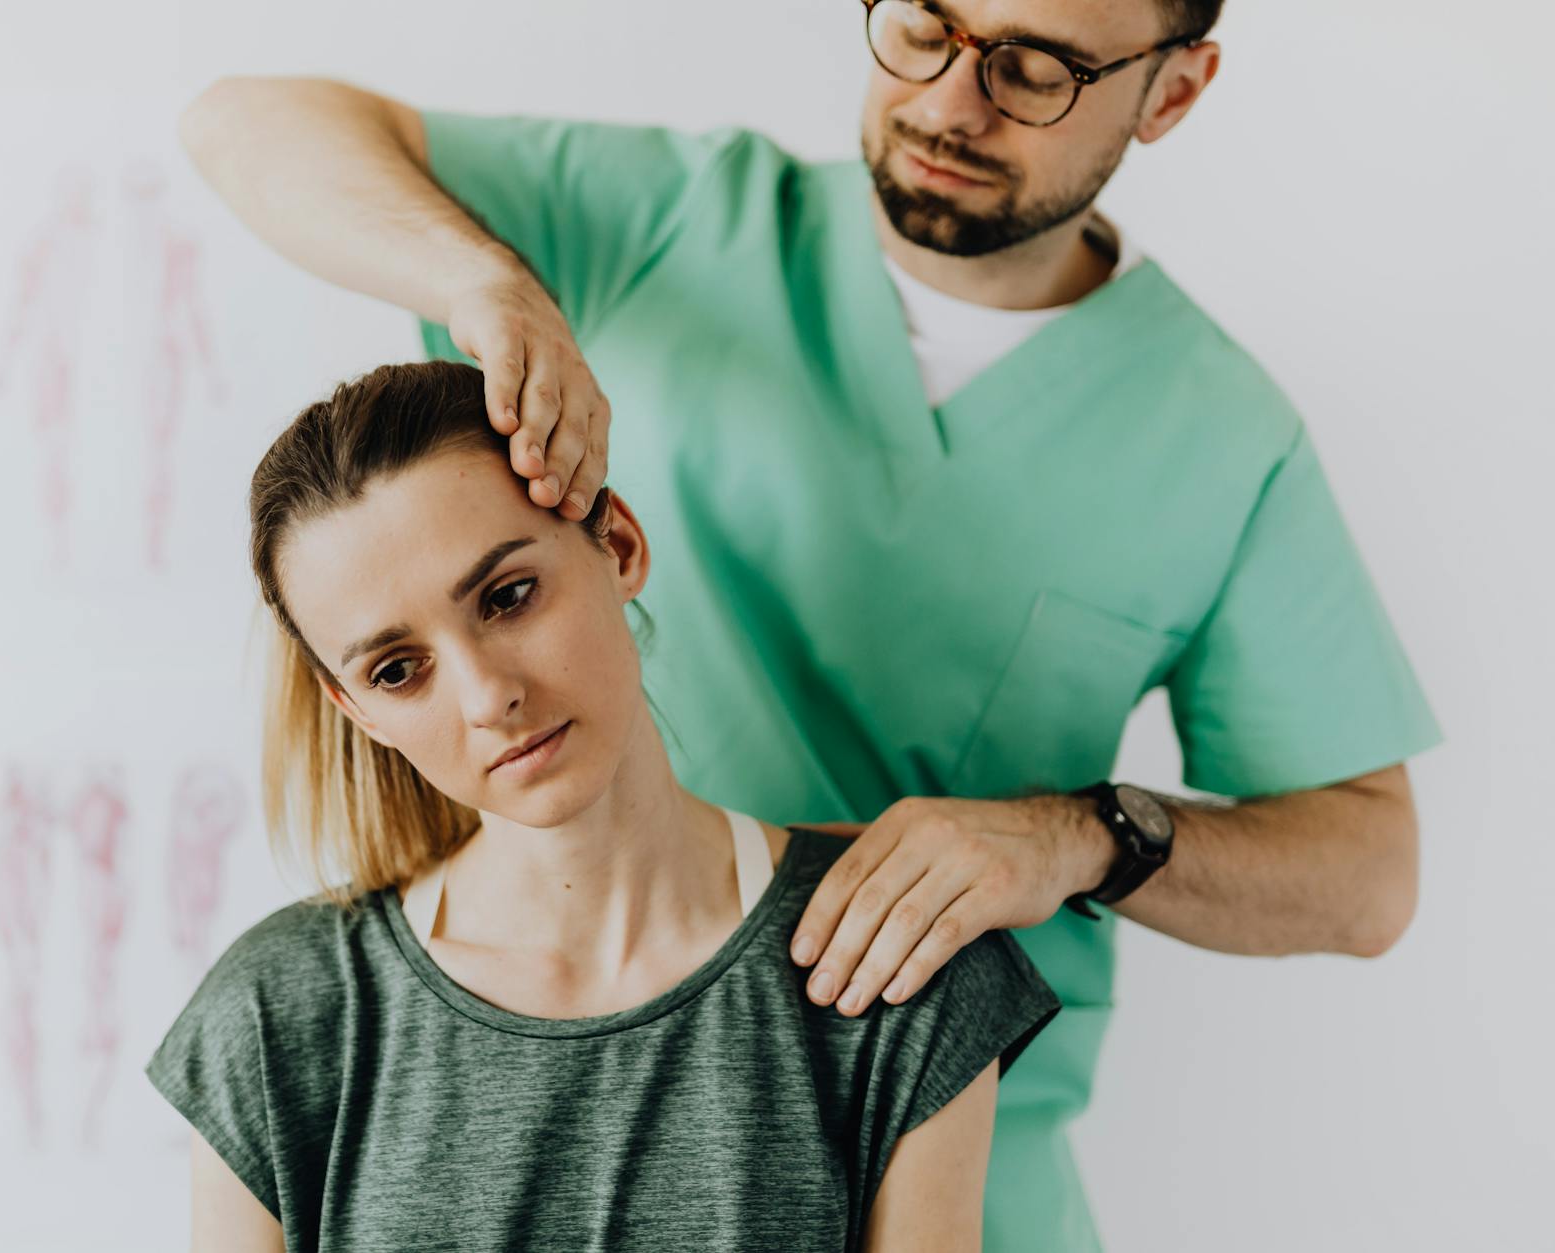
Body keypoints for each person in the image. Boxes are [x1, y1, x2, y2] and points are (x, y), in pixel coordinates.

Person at [176, 0, 1441, 1246]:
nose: (949, 100)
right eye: (923, 26)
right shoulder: (665, 223)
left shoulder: (1218, 436)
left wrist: (1072, 839)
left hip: (946, 1145)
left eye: (1035, 68)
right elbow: (243, 120)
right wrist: (483, 282)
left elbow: (1367, 878)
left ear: (1171, 90)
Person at [145, 359, 1061, 1251]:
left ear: (617, 543)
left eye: (508, 597)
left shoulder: (897, 958)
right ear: (358, 711)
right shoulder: (276, 1018)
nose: (484, 695)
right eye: (397, 669)